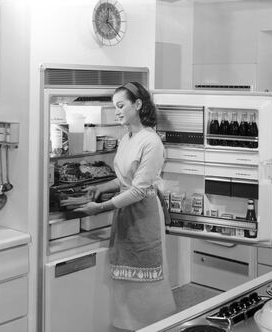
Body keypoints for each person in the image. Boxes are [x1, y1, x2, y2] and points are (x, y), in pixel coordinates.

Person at [75, 82, 176, 331]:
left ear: (138, 105)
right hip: (125, 213)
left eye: (120, 105)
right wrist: (102, 188)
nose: (116, 111)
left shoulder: (151, 142)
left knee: (147, 284)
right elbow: (123, 180)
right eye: (114, 107)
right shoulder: (126, 138)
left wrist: (101, 207)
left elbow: (140, 189)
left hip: (144, 215)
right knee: (126, 285)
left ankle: (156, 325)